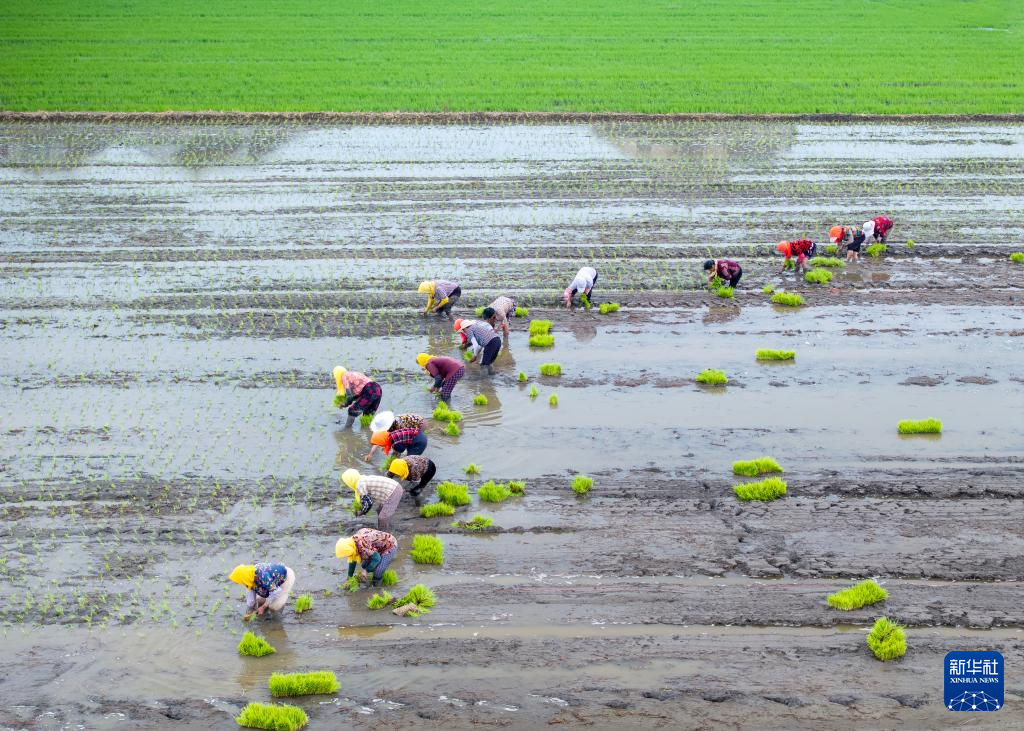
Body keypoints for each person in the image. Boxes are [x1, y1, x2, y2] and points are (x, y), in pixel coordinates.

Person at [228, 562, 296, 620]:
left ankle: (275, 623)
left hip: (285, 579)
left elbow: (276, 592)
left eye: (239, 581)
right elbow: (251, 598)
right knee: (260, 599)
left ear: (243, 578)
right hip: (272, 580)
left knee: (274, 607)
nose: (239, 583)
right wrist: (250, 611)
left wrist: (263, 607)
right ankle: (263, 613)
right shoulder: (248, 578)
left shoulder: (262, 576)